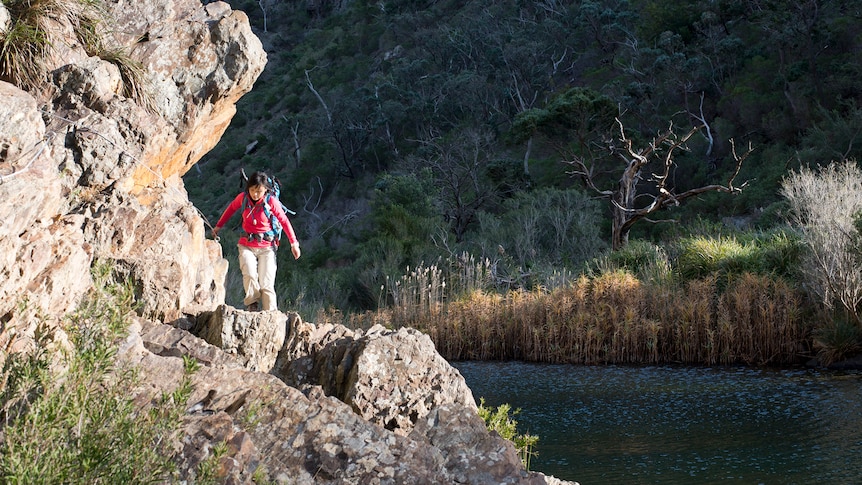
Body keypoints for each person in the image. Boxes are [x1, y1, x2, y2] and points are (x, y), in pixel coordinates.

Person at [212, 171, 300, 311]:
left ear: (265, 189)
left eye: (259, 191)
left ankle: (270, 313)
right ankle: (252, 304)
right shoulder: (243, 198)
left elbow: (284, 220)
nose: (255, 194)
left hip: (267, 247)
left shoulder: (270, 201)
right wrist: (218, 226)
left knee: (266, 283)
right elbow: (230, 209)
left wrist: (294, 243)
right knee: (249, 273)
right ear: (248, 188)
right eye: (252, 190)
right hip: (246, 244)